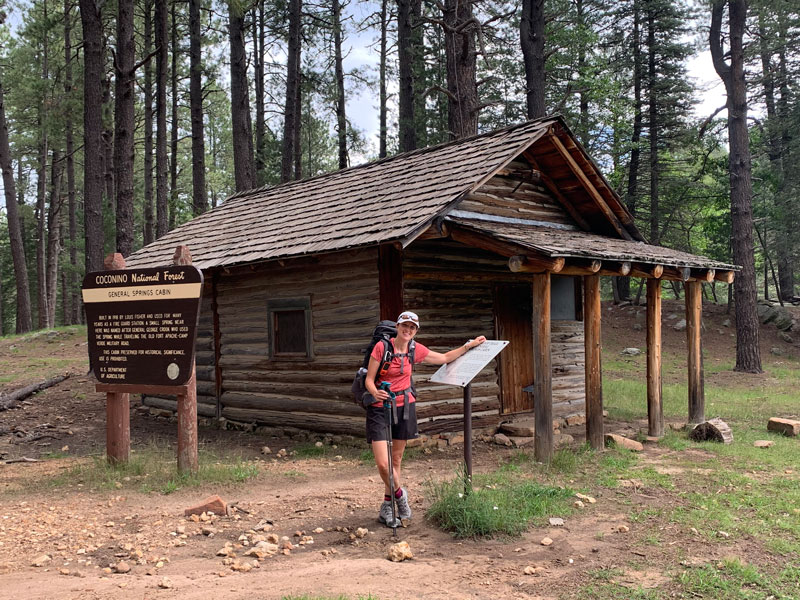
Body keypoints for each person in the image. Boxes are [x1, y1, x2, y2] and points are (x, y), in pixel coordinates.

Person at [364, 310, 487, 526]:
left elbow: (445, 358)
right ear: (398, 327)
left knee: (396, 460)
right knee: (384, 464)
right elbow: (369, 380)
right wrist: (374, 392)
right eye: (405, 325)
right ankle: (400, 497)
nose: (408, 330)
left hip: (405, 407)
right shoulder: (382, 347)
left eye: (412, 327)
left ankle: (387, 506)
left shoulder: (415, 349)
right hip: (380, 408)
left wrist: (469, 346)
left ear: (415, 330)